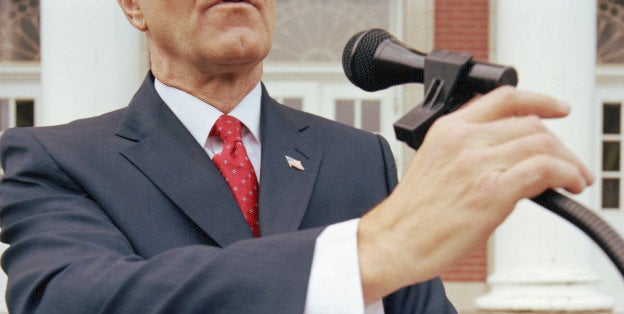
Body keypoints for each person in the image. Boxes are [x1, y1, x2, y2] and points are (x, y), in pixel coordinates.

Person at [0, 1, 593, 313]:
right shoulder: (55, 159)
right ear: (133, 6)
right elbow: (76, 300)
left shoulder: (360, 157)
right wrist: (371, 250)